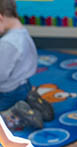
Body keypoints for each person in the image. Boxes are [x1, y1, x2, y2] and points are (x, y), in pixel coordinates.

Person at [0, 0, 53, 131]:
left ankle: (16, 113)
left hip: (9, 91)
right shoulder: (21, 32)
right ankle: (31, 102)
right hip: (25, 85)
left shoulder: (8, 43)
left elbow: (1, 75)